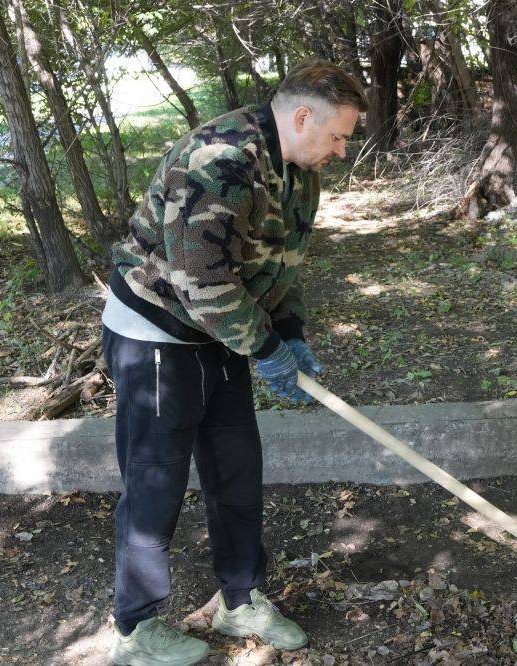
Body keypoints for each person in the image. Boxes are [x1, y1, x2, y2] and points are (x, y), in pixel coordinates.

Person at [100, 59, 368, 665]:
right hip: (157, 332)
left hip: (221, 332)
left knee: (236, 466)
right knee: (155, 481)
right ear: (303, 117)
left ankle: (239, 598)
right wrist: (267, 351)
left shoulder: (298, 169)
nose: (342, 150)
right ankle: (136, 631)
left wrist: (289, 331)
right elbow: (203, 281)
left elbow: (282, 263)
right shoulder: (219, 162)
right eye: (338, 135)